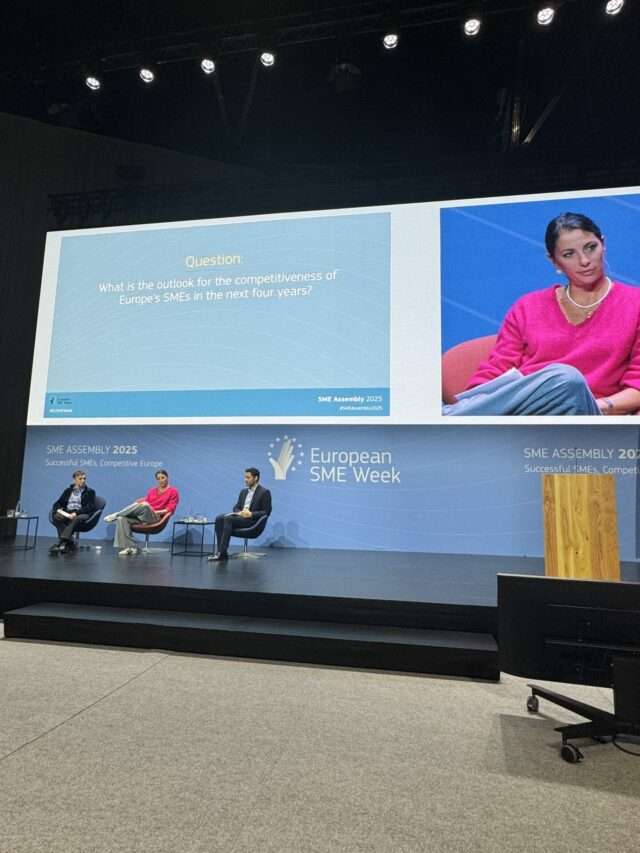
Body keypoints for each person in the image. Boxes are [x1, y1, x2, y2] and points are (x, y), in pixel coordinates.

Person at [443, 212, 640, 416]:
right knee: (560, 379)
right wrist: (479, 400)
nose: (584, 261)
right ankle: (459, 417)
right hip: (529, 415)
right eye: (568, 254)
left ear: (603, 244)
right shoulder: (528, 306)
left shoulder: (636, 303)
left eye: (591, 248)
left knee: (567, 378)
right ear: (554, 262)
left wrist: (593, 406)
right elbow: (497, 370)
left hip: (592, 414)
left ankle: (449, 419)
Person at [104, 469, 179, 556]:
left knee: (144, 505)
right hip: (143, 516)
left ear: (167, 478)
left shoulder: (173, 491)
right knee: (121, 519)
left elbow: (169, 510)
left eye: (163, 477)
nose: (161, 480)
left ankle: (117, 514)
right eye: (158, 478)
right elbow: (142, 504)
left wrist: (154, 511)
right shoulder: (152, 491)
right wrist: (140, 506)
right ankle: (131, 548)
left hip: (156, 518)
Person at [209, 467, 272, 562]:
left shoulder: (264, 492)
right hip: (241, 518)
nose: (245, 480)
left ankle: (222, 553)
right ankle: (221, 552)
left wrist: (250, 514)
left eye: (248, 477)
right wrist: (239, 512)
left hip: (253, 521)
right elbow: (236, 506)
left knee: (228, 519)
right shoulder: (243, 492)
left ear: (256, 478)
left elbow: (266, 512)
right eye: (245, 477)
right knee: (219, 518)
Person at [50, 470, 97, 554]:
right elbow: (58, 503)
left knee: (76, 518)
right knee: (56, 516)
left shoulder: (90, 492)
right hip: (68, 512)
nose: (83, 480)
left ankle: (61, 542)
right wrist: (59, 509)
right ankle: (70, 542)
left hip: (82, 514)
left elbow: (90, 507)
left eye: (84, 478)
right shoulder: (68, 491)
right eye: (80, 478)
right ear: (74, 480)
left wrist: (76, 513)